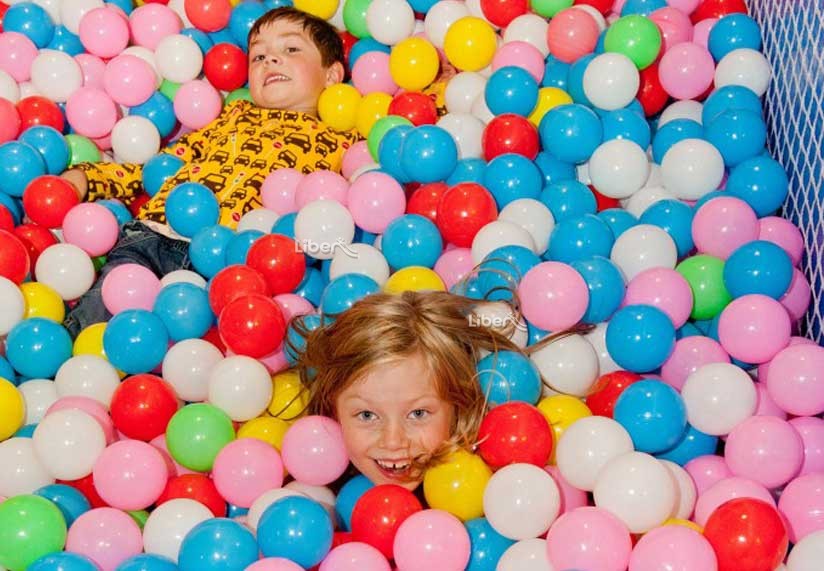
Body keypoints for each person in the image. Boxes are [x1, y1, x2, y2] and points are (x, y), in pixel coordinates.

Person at [59, 7, 360, 337]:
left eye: (290, 49)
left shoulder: (343, 141)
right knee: (95, 326)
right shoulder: (235, 117)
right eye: (258, 56)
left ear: (331, 75)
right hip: (157, 237)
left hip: (237, 261)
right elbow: (163, 165)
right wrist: (89, 178)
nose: (270, 60)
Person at [289, 288, 580, 491]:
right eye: (366, 415)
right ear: (333, 408)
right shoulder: (307, 489)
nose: (393, 442)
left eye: (417, 413)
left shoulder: (500, 480)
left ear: (458, 404)